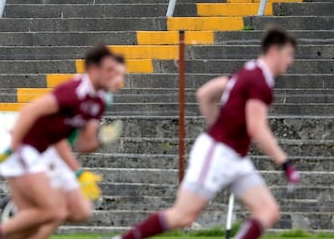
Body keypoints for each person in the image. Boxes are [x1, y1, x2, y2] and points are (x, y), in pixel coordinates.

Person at [112, 27, 300, 239]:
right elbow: (256, 127)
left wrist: (218, 127)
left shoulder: (249, 72)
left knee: (269, 211)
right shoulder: (259, 81)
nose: (291, 61)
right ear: (274, 51)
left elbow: (205, 94)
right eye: (289, 54)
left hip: (235, 157)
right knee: (183, 216)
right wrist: (285, 162)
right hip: (218, 153)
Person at [0, 45, 124, 239]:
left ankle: (11, 222)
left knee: (72, 213)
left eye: (120, 74)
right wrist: (12, 148)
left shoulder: (100, 102)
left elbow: (83, 145)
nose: (118, 79)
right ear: (94, 70)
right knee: (53, 212)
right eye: (111, 71)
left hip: (40, 149)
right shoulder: (73, 91)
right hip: (25, 147)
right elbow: (30, 112)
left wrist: (102, 140)